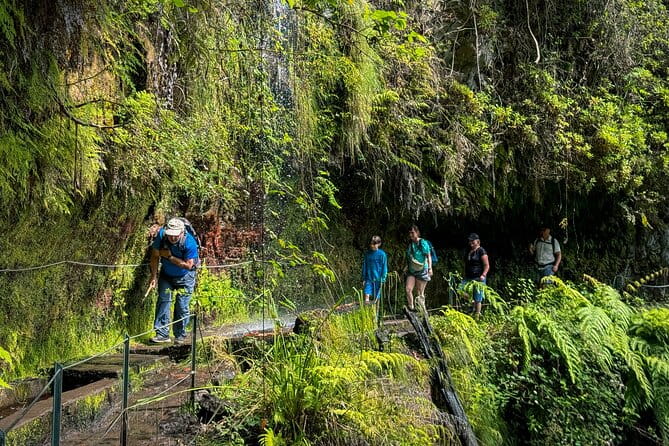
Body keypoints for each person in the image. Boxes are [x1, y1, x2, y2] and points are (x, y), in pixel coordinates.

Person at [149, 218, 199, 344]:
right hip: (166, 275)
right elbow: (155, 255)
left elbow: (188, 265)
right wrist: (153, 276)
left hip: (185, 277)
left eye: (175, 235)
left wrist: (169, 257)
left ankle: (180, 335)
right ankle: (162, 334)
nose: (172, 238)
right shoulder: (162, 235)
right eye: (170, 235)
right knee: (163, 301)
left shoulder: (189, 243)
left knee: (182, 306)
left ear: (182, 232)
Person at [405, 225, 433, 311]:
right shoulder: (411, 244)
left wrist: (430, 268)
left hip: (422, 269)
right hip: (412, 270)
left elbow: (428, 256)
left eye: (412, 233)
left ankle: (422, 311)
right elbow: (410, 257)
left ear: (417, 232)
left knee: (420, 292)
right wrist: (406, 266)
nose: (411, 235)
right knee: (408, 289)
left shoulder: (423, 243)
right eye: (410, 233)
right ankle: (411, 308)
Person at [461, 233, 489, 318]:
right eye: (470, 241)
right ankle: (471, 301)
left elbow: (486, 265)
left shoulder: (481, 251)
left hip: (479, 278)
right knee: (460, 290)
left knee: (478, 298)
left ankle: (477, 316)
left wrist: (483, 275)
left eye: (473, 241)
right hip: (468, 277)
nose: (471, 242)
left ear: (478, 241)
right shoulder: (468, 251)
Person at [362, 235, 388, 304]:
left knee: (376, 298)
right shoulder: (367, 254)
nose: (372, 245)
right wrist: (364, 278)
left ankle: (375, 313)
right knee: (367, 294)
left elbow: (384, 267)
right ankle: (366, 311)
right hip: (369, 278)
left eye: (374, 244)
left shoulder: (382, 254)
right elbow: (365, 266)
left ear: (379, 244)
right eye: (371, 244)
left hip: (378, 279)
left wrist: (383, 278)